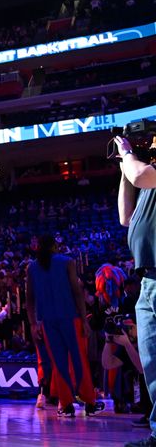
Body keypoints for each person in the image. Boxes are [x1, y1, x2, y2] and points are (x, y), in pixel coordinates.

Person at [25, 234, 101, 417]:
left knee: (59, 364)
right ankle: (89, 403)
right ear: (54, 246)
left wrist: (33, 324)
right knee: (79, 360)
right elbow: (77, 292)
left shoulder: (32, 267)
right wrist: (84, 320)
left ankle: (66, 406)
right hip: (70, 317)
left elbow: (29, 299)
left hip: (47, 322)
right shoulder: (67, 262)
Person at [116, 135, 156, 447]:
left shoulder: (148, 174)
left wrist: (128, 154)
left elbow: (140, 173)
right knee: (152, 362)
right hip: (147, 281)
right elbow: (125, 217)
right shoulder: (147, 181)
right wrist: (122, 170)